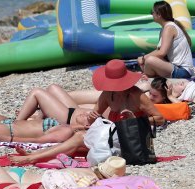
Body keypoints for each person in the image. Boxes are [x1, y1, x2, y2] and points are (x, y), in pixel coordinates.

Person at [9, 60, 164, 166]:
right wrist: (91, 118)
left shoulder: (137, 96)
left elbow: (160, 119)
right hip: (113, 138)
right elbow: (94, 117)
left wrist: (135, 121)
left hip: (133, 143)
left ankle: (31, 158)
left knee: (78, 139)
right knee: (78, 140)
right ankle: (37, 153)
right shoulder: (107, 95)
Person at [137, 1, 195, 79]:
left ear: (159, 15)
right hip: (177, 68)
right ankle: (150, 77)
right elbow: (159, 51)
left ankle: (149, 78)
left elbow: (162, 52)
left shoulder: (169, 28)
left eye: (152, 12)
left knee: (150, 60)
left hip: (183, 71)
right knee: (148, 61)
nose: (152, 14)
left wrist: (144, 58)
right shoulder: (166, 27)